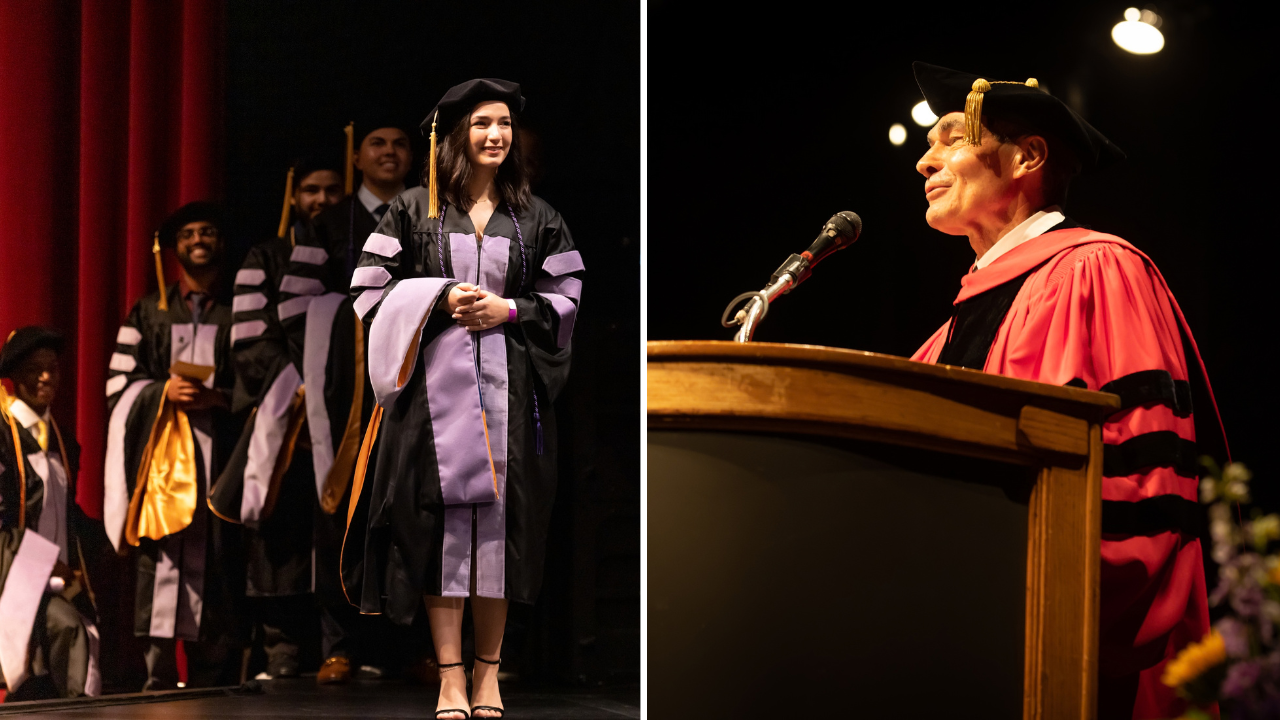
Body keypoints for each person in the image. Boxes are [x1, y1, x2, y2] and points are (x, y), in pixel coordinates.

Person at [908, 62, 1226, 720]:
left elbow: (1145, 476)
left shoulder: (1099, 270)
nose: (924, 161)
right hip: (961, 638)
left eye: (951, 139)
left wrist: (1046, 599)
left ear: (1027, 157)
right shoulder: (948, 334)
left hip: (1070, 647)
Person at [342, 78, 583, 719]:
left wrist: (509, 310)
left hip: (512, 400)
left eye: (504, 123)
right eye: (481, 123)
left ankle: (488, 676)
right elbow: (367, 290)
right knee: (441, 534)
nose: (496, 134)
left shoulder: (538, 216)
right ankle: (450, 677)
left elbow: (567, 299)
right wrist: (438, 296)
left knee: (499, 536)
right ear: (455, 135)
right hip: (433, 403)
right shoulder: (413, 208)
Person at [290, 123, 421, 685]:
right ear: (358, 158)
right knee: (340, 504)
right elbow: (295, 306)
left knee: (414, 506)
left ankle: (411, 644)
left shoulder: (432, 215)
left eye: (400, 143)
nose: (390, 152)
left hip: (415, 379)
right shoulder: (329, 221)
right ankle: (339, 644)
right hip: (345, 386)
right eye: (378, 144)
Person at [210, 152, 349, 680]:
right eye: (311, 190)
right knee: (280, 534)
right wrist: (306, 385)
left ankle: (345, 646)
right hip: (285, 410)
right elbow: (251, 336)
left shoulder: (355, 255)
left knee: (338, 528)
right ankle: (283, 649)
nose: (322, 200)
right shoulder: (265, 256)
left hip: (343, 415)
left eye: (332, 190)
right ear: (294, 196)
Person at [103, 201, 246, 690]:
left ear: (221, 242)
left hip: (221, 458)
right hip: (161, 460)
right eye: (188, 234)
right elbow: (117, 383)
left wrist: (218, 398)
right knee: (161, 555)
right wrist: (162, 391)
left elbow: (261, 388)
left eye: (208, 231)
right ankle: (158, 672)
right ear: (174, 248)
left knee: (218, 559)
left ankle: (213, 676)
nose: (199, 240)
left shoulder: (239, 312)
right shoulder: (148, 312)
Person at [0, 327, 100, 699]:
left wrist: (115, 538)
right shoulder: (2, 435)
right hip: (14, 573)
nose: (46, 377)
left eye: (52, 368)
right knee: (69, 629)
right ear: (14, 375)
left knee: (81, 634)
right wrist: (41, 562)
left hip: (56, 576)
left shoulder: (60, 439)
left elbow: (68, 514)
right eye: (34, 369)